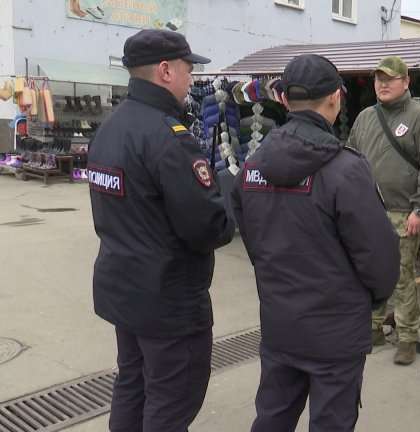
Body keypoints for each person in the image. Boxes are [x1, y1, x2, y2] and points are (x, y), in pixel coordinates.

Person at [230, 54, 400, 432]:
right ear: (336, 98)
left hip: (280, 321)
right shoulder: (346, 169)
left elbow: (251, 234)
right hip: (335, 331)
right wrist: (372, 298)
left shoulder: (253, 166)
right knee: (332, 422)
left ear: (285, 101)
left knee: (273, 415)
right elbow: (379, 258)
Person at [88, 29, 235, 431]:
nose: (193, 78)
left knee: (133, 386)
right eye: (190, 69)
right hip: (168, 301)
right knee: (171, 403)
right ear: (166, 70)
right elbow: (206, 226)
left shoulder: (111, 128)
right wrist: (231, 204)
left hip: (125, 289)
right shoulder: (169, 138)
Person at [346, 56, 420, 365]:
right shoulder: (365, 117)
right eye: (378, 79)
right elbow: (349, 161)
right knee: (367, 274)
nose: (383, 84)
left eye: (390, 79)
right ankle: (372, 328)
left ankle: (407, 337)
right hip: (368, 211)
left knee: (401, 277)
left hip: (404, 211)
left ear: (406, 81)